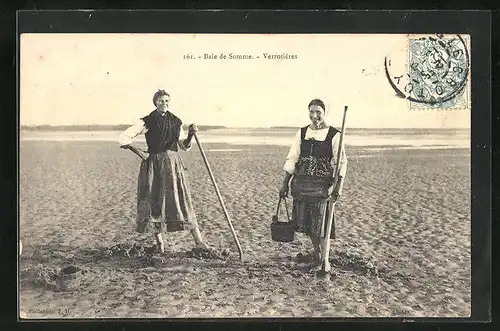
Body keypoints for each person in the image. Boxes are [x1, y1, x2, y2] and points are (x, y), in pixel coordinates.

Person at [119, 89, 209, 253]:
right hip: (154, 165)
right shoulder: (147, 121)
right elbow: (124, 137)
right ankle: (160, 244)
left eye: (167, 101)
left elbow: (183, 145)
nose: (164, 104)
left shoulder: (176, 121)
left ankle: (199, 242)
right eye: (161, 101)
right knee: (155, 202)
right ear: (155, 102)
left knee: (182, 200)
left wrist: (190, 134)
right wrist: (142, 154)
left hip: (174, 165)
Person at [279, 99, 347, 272]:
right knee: (309, 225)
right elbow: (292, 158)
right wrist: (284, 184)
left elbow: (342, 163)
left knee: (321, 224)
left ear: (324, 113)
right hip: (301, 183)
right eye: (312, 111)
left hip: (321, 185)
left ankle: (325, 262)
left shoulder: (334, 135)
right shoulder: (302, 133)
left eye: (318, 112)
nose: (314, 115)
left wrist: (338, 187)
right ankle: (318, 257)